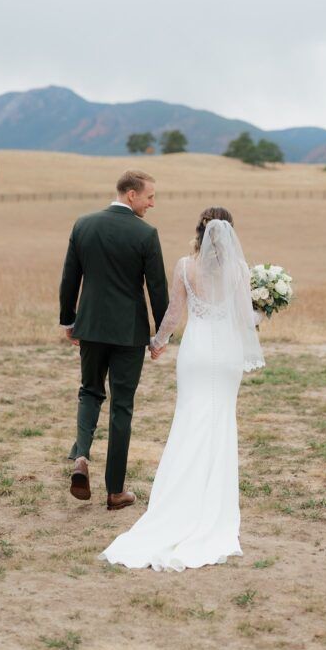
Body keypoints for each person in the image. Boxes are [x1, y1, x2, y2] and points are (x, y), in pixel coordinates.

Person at [100, 206, 264, 571]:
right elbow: (244, 318)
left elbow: (173, 314)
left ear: (200, 233)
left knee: (190, 419)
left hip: (196, 351)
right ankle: (212, 502)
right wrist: (265, 311)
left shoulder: (185, 266)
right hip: (227, 358)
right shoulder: (238, 270)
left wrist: (157, 342)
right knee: (220, 421)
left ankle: (178, 500)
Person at [59, 170, 169, 511]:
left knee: (89, 391)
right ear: (131, 194)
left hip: (90, 326)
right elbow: (157, 289)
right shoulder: (146, 234)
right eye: (150, 196)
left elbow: (70, 278)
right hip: (128, 333)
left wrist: (69, 319)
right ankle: (115, 491)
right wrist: (160, 335)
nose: (153, 203)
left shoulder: (83, 225)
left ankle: (81, 457)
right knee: (122, 405)